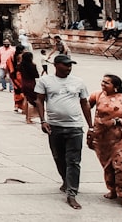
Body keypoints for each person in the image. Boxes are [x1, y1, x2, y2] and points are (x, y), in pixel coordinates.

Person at [35, 54, 93, 210]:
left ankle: (71, 193)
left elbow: (84, 103)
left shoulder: (78, 82)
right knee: (58, 157)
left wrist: (91, 126)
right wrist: (43, 120)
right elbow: (39, 100)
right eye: (66, 65)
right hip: (54, 126)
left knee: (73, 161)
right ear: (56, 65)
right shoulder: (45, 81)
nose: (69, 68)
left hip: (74, 127)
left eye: (70, 65)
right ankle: (66, 180)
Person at [88, 75, 122, 209]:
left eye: (107, 83)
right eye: (102, 81)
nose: (103, 84)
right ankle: (112, 190)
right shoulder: (97, 95)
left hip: (120, 138)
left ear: (115, 86)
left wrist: (119, 121)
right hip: (102, 138)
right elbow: (85, 106)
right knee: (108, 166)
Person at [18, 52, 40, 123]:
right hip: (31, 84)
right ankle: (29, 118)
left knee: (27, 100)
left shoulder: (20, 65)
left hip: (24, 83)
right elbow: (36, 75)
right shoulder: (32, 66)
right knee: (32, 101)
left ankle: (27, 117)